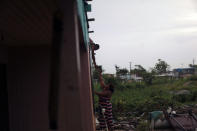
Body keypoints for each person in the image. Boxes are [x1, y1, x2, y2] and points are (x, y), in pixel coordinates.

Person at [94, 66, 114, 131]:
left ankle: (110, 129)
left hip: (106, 106)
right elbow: (101, 80)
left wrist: (92, 91)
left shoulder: (109, 92)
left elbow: (100, 94)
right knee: (102, 118)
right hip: (102, 106)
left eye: (108, 85)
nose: (106, 85)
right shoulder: (105, 88)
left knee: (108, 119)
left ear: (109, 87)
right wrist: (100, 73)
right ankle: (104, 129)